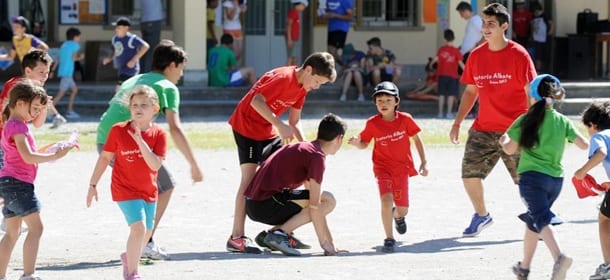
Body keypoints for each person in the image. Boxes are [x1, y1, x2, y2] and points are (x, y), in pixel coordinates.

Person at [97, 41, 203, 260]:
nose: (181, 75)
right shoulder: (167, 86)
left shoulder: (136, 80)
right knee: (165, 185)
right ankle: (145, 241)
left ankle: (142, 240)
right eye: (181, 69)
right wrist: (194, 164)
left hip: (103, 139)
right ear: (172, 65)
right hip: (122, 142)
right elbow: (175, 127)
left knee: (150, 186)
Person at [226, 52, 336, 254]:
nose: (317, 86)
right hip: (247, 128)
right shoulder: (283, 77)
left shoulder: (303, 88)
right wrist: (278, 124)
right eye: (317, 81)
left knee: (290, 174)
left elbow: (294, 122)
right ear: (309, 70)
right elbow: (256, 102)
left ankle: (280, 233)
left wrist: (310, 150)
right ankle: (236, 237)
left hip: (269, 130)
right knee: (249, 181)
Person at [449, 3, 537, 238]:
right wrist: (457, 122)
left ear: (504, 26)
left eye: (491, 24)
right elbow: (470, 92)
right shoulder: (476, 56)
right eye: (484, 24)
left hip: (515, 130)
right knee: (469, 174)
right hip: (484, 128)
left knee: (526, 180)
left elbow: (532, 93)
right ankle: (481, 215)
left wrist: (532, 127)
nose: (486, 29)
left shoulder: (519, 55)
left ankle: (538, 217)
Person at [500, 74, 587, 280]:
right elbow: (583, 144)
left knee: (540, 218)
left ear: (532, 96)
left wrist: (503, 139)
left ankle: (559, 258)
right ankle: (524, 267)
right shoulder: (562, 121)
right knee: (533, 220)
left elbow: (510, 150)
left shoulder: (525, 120)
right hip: (555, 181)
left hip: (531, 179)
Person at [87, 85, 167, 280]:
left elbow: (155, 165)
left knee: (147, 233)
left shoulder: (159, 135)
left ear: (155, 109)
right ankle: (133, 273)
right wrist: (92, 185)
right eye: (134, 105)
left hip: (148, 190)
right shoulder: (118, 130)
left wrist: (141, 141)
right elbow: (105, 158)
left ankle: (128, 257)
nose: (138, 109)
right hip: (124, 188)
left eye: (144, 105)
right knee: (138, 228)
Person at [0, 80, 76, 280]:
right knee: (37, 228)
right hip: (19, 185)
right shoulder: (18, 127)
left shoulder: (14, 124)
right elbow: (28, 157)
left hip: (9, 184)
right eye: (34, 108)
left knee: (12, 233)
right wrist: (55, 157)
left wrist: (52, 149)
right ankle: (28, 274)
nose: (35, 114)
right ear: (20, 103)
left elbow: (28, 154)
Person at [245, 113, 347, 256]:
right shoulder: (316, 156)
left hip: (255, 204)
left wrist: (330, 243)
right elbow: (315, 205)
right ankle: (280, 234)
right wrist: (325, 244)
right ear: (339, 138)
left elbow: (313, 201)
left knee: (323, 200)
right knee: (328, 200)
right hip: (265, 204)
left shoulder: (306, 148)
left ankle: (272, 234)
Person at [348, 81, 428, 253]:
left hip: (401, 169)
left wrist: (423, 161)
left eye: (388, 100)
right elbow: (364, 143)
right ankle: (389, 238)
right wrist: (357, 143)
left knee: (403, 209)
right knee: (386, 200)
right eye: (380, 101)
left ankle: (397, 216)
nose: (383, 104)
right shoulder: (372, 123)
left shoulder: (405, 119)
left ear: (396, 102)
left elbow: (417, 139)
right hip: (382, 167)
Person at [0, 50, 54, 237]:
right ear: (28, 71)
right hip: (6, 141)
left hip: (18, 140)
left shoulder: (37, 92)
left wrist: (44, 107)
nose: (45, 77)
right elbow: (7, 114)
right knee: (9, 180)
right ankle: (10, 218)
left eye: (47, 73)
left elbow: (38, 123)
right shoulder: (17, 86)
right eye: (41, 72)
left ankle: (10, 218)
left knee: (14, 179)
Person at [574, 102, 610, 280]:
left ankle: (608, 266)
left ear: (592, 125)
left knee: (604, 219)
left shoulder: (600, 136)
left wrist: (582, 171)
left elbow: (601, 153)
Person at [102, 17, 150, 88]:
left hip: (131, 70)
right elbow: (115, 50)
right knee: (126, 91)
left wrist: (134, 60)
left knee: (119, 89)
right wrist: (109, 58)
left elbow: (146, 46)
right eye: (116, 28)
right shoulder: (115, 39)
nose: (116, 30)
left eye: (119, 28)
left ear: (126, 28)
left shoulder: (131, 39)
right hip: (121, 69)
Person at [51, 27, 84, 120]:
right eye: (79, 37)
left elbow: (58, 59)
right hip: (67, 74)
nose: (79, 39)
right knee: (60, 94)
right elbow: (74, 58)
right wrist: (81, 57)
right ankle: (48, 112)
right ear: (75, 37)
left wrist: (52, 71)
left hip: (63, 72)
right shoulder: (75, 45)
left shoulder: (64, 45)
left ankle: (70, 110)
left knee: (74, 90)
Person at [430, 29, 464, 119]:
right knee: (451, 95)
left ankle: (440, 113)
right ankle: (449, 113)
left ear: (444, 38)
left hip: (442, 75)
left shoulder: (441, 49)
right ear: (454, 38)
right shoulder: (456, 51)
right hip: (453, 76)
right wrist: (467, 71)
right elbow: (461, 63)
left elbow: (435, 59)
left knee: (441, 94)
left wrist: (430, 65)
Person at [139, 0, 164, 73]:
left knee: (145, 49)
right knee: (152, 50)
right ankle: (148, 74)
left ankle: (142, 73)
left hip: (144, 21)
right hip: (154, 21)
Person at [530, 1, 553, 72]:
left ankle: (542, 70)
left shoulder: (544, 15)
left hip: (544, 38)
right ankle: (538, 70)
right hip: (536, 38)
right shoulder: (533, 16)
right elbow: (532, 26)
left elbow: (551, 23)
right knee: (538, 55)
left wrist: (550, 31)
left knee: (543, 55)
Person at [222, 0, 247, 65]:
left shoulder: (240, 3)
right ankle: (231, 69)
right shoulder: (227, 3)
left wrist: (243, 11)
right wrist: (235, 7)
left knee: (240, 52)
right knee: (234, 52)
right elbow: (230, 17)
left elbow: (241, 18)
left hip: (238, 28)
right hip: (229, 29)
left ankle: (236, 70)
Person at [286, 0, 308, 66]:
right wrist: (289, 39)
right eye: (303, 6)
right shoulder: (293, 12)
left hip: (295, 38)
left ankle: (293, 74)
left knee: (294, 58)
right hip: (292, 39)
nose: (303, 8)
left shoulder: (296, 13)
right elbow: (289, 25)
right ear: (299, 4)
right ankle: (287, 75)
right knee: (291, 58)